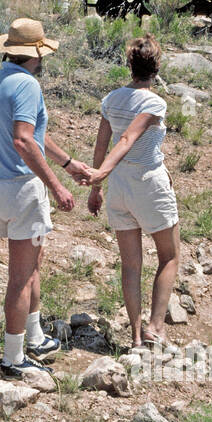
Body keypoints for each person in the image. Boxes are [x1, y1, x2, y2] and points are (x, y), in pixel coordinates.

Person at [0, 18, 92, 380]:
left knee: (34, 260)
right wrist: (57, 185)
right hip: (22, 189)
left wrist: (68, 162)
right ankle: (13, 359)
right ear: (35, 54)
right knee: (21, 276)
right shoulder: (28, 85)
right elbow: (24, 140)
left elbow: (36, 136)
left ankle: (35, 336)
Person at [85, 35, 180, 348]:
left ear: (130, 64)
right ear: (157, 66)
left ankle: (137, 337)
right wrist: (101, 173)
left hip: (119, 189)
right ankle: (156, 327)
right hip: (149, 183)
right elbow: (127, 139)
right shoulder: (155, 103)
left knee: (130, 264)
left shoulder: (111, 100)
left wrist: (97, 186)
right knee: (169, 256)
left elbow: (104, 143)